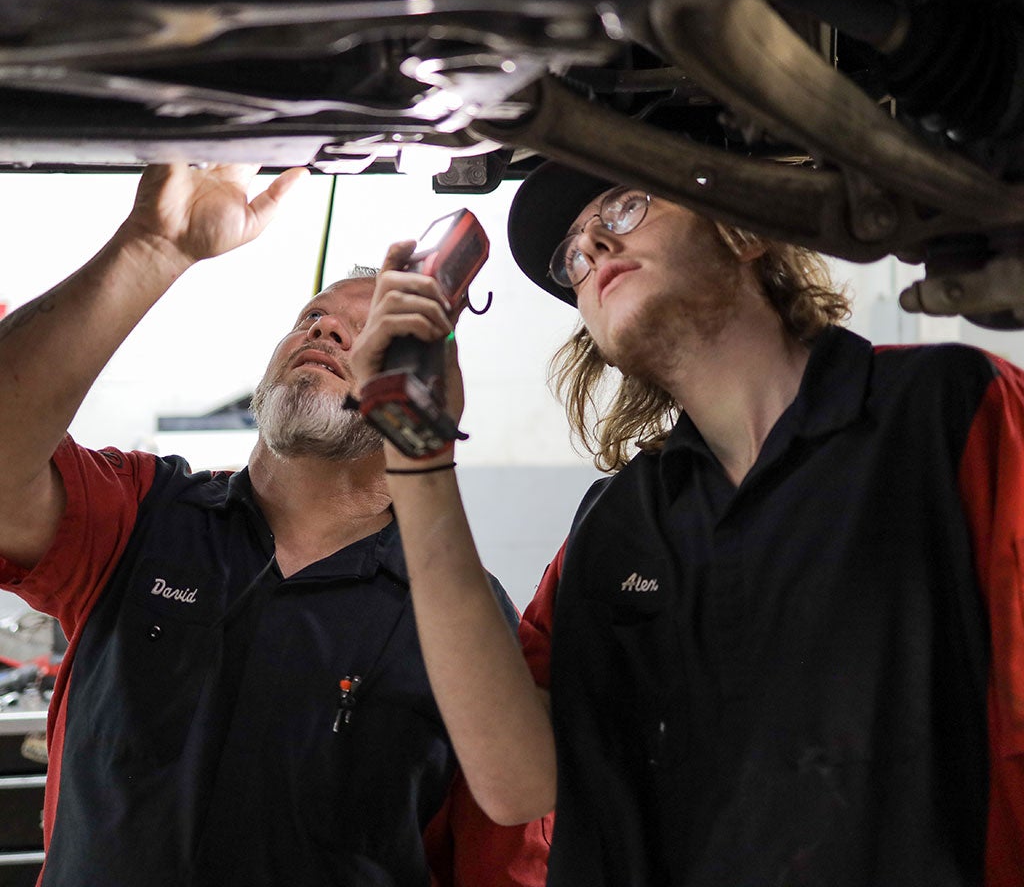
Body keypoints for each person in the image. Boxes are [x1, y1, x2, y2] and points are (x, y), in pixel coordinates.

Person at [350, 160, 1024, 887]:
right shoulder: (612, 529)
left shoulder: (949, 409)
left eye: (625, 206)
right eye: (573, 256)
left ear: (740, 230)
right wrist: (418, 452)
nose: (592, 248)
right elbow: (516, 783)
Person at [0, 162, 550, 887]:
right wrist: (150, 248)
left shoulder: (465, 622)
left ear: (429, 385)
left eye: (369, 334)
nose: (323, 328)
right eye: (310, 319)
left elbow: (503, 866)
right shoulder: (142, 512)